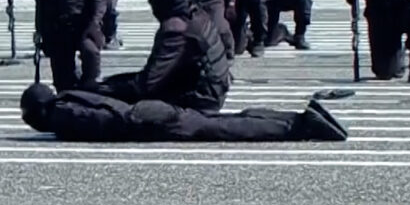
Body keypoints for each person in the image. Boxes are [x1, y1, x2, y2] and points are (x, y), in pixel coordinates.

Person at [92, 0, 232, 112]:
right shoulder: (196, 13)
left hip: (201, 99)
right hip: (212, 89)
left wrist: (104, 89)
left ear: (165, 1)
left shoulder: (176, 28)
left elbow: (148, 84)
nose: (151, 3)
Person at [20, 84, 348, 142]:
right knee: (221, 121)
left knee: (223, 129)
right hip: (148, 110)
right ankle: (295, 118)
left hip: (146, 120)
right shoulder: (67, 96)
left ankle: (299, 126)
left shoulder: (60, 114)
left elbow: (107, 121)